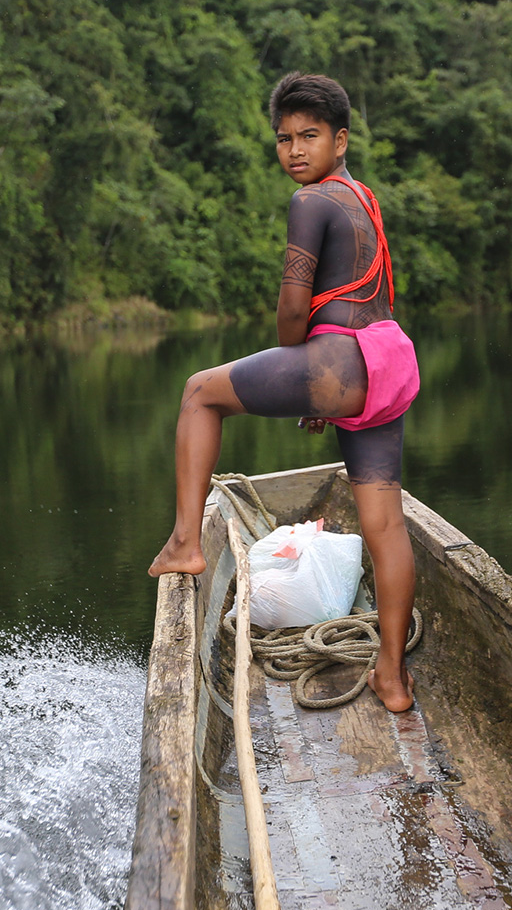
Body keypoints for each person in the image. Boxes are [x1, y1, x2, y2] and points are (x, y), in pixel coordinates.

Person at [149, 72, 420, 713]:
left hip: (336, 359)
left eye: (310, 136)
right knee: (384, 523)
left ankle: (186, 542)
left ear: (340, 138)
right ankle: (392, 677)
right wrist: (319, 391)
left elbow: (294, 311)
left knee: (198, 393)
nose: (295, 150)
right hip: (386, 365)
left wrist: (310, 382)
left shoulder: (310, 202)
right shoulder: (363, 197)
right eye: (284, 139)